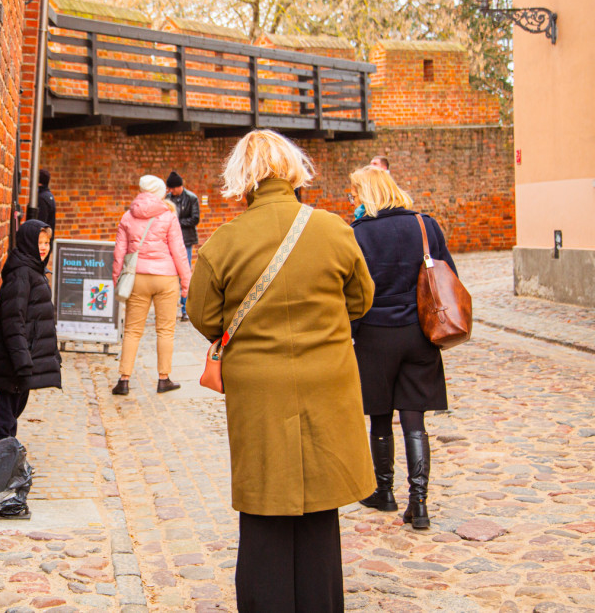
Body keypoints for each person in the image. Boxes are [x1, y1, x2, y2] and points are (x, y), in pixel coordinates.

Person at [187, 130, 375, 612]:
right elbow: (361, 299)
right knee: (319, 514)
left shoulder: (224, 243)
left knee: (264, 513)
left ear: (243, 181)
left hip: (259, 394)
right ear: (293, 172)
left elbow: (204, 316)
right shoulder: (334, 230)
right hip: (326, 386)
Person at [348, 166, 457, 530]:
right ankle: (420, 503)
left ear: (366, 193)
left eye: (354, 194)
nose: (353, 201)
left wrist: (351, 331)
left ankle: (384, 491)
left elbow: (352, 290)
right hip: (419, 333)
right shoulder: (426, 225)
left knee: (380, 415)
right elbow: (449, 274)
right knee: (415, 417)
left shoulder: (358, 233)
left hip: (375, 334)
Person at [112, 175, 191, 396]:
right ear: (159, 192)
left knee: (132, 330)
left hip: (138, 277)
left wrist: (117, 281)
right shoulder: (168, 215)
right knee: (165, 330)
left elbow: (119, 254)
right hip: (166, 278)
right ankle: (163, 379)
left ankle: (124, 380)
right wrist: (186, 283)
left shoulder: (127, 216)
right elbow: (179, 251)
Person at [0, 220, 61, 444]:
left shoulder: (33, 270)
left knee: (12, 415)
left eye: (47, 242)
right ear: (28, 242)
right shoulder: (22, 274)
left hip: (23, 361)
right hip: (16, 362)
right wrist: (22, 361)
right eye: (39, 242)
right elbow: (13, 320)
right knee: (4, 419)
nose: (43, 247)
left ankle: (5, 465)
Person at [166, 170, 200, 322]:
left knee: (185, 275)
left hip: (185, 240)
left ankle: (186, 309)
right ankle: (170, 308)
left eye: (173, 188)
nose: (171, 191)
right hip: (169, 241)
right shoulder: (167, 199)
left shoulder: (191, 198)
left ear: (180, 186)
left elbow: (195, 218)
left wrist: (176, 223)